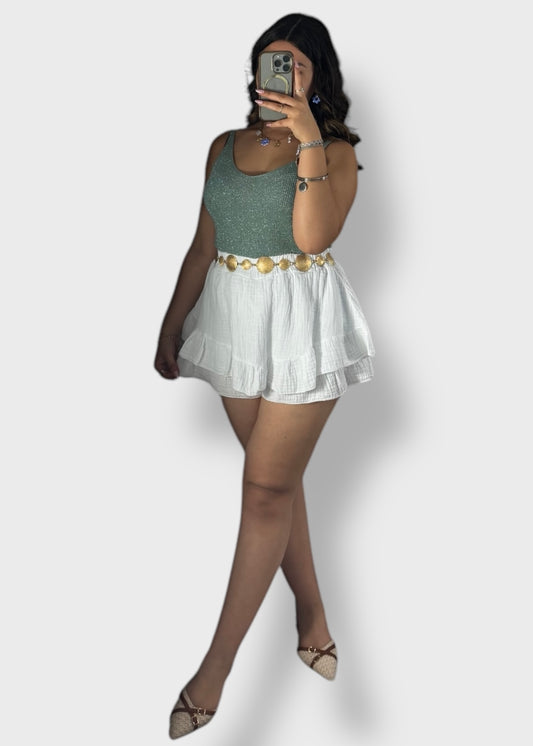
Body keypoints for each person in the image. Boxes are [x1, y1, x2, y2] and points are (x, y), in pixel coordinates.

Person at [153, 13, 376, 740]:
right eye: (270, 62)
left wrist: (307, 134)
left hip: (301, 320)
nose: (280, 74)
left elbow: (312, 236)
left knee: (264, 489)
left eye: (296, 64)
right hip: (232, 321)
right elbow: (202, 244)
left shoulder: (335, 153)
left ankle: (212, 673)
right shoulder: (222, 146)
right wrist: (171, 323)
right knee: (274, 483)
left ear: (317, 76)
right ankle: (312, 615)